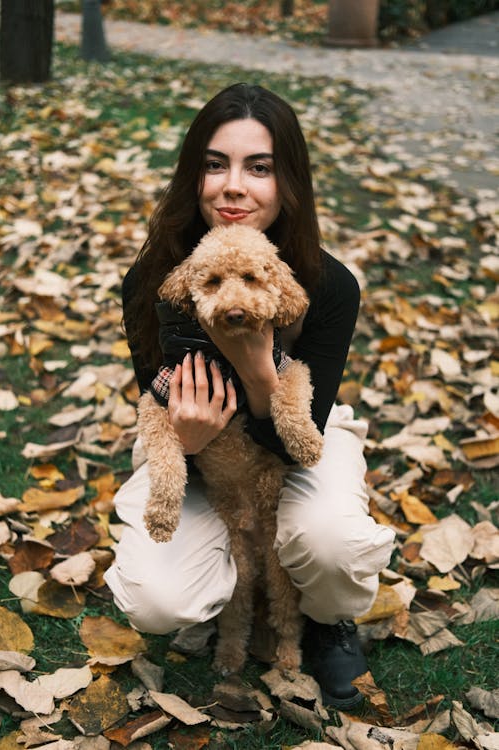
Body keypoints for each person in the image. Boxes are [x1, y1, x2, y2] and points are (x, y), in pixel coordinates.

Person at [104, 82, 395, 709]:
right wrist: (186, 440)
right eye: (215, 164)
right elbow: (153, 401)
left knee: (329, 540)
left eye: (258, 168)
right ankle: (228, 585)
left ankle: (324, 615)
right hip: (191, 444)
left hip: (299, 431)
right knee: (158, 597)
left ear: (287, 180)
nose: (233, 186)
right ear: (194, 176)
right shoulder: (152, 280)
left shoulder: (327, 285)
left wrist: (259, 370)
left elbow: (302, 441)